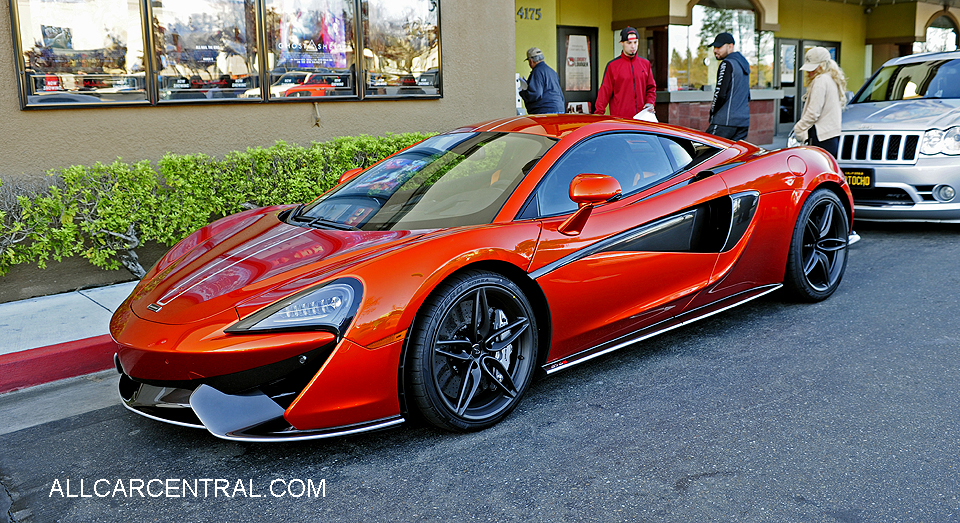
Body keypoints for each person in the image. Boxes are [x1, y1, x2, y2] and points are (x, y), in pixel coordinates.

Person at [793, 46, 846, 159]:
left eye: (813, 68)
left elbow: (813, 113)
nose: (809, 71)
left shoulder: (820, 80)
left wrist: (798, 128)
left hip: (820, 137)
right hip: (830, 136)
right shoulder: (832, 78)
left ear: (821, 65)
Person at [594, 27, 657, 118]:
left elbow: (651, 88)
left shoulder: (645, 64)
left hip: (642, 119)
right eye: (629, 43)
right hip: (621, 122)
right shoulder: (613, 66)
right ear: (622, 43)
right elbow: (604, 93)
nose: (633, 46)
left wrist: (650, 103)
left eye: (635, 42)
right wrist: (598, 115)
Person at [707, 32, 751, 141]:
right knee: (733, 156)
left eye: (719, 47)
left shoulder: (727, 64)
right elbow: (748, 95)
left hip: (725, 122)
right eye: (714, 47)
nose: (715, 50)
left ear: (730, 46)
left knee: (706, 153)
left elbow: (720, 94)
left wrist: (712, 112)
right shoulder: (743, 64)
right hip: (743, 123)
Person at [519, 47, 565, 114]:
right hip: (559, 108)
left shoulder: (537, 71)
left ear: (531, 60)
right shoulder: (552, 71)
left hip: (545, 110)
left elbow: (535, 93)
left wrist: (522, 92)